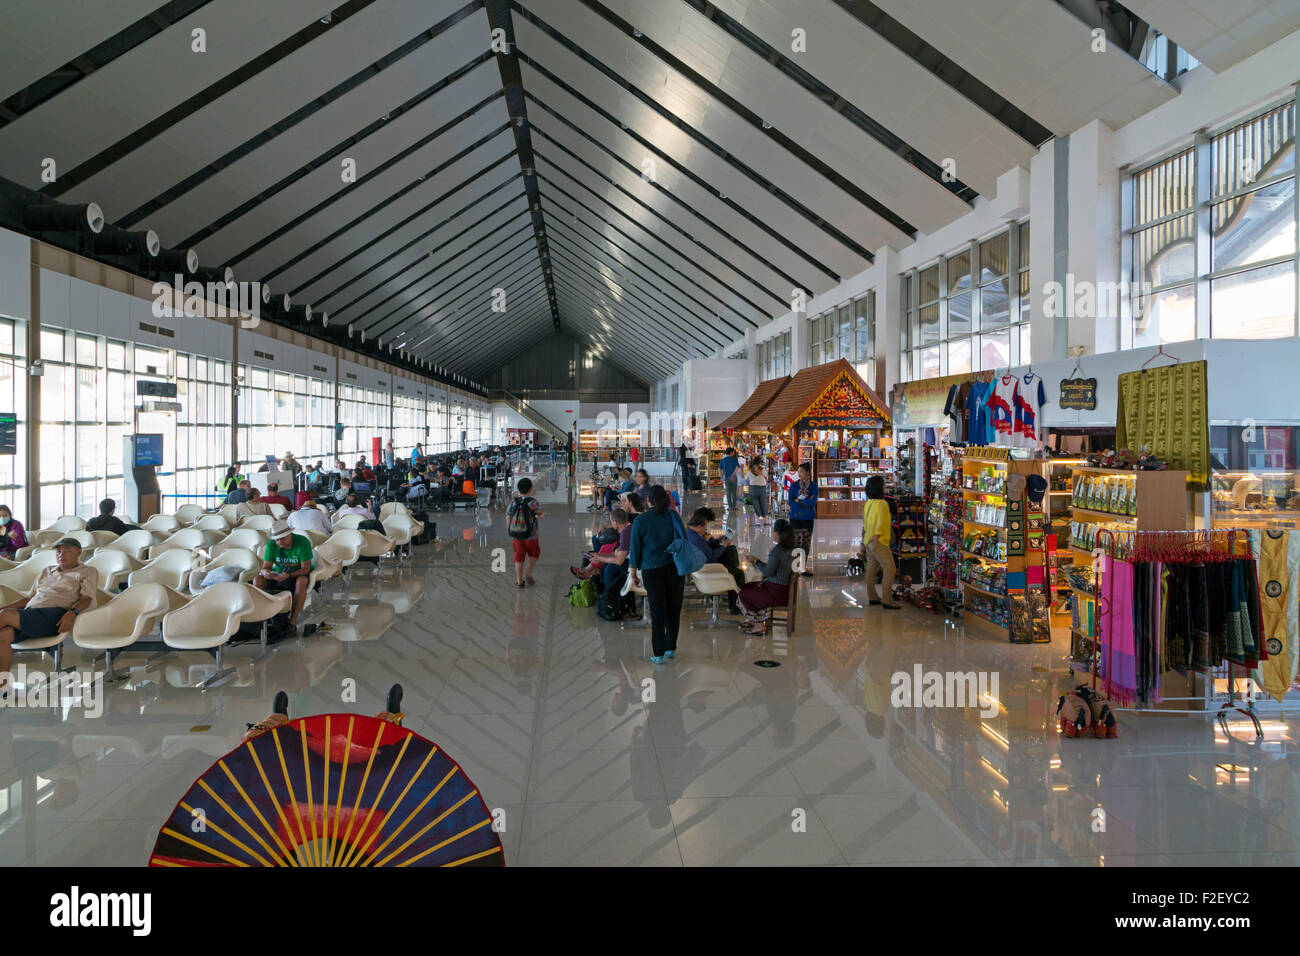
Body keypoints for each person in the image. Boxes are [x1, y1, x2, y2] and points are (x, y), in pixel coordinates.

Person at [0, 538, 98, 686]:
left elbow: (86, 599)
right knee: (3, 635)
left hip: (54, 615)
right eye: (58, 551)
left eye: (67, 551)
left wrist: (72, 613)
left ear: (79, 552)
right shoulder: (47, 571)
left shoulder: (88, 571)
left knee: (5, 615)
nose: (61, 554)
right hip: (31, 614)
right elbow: (28, 598)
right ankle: (3, 685)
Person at [628, 485, 687, 664]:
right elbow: (683, 539)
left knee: (658, 610)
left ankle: (659, 653)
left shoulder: (641, 520)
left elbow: (635, 548)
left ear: (648, 500)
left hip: (652, 570)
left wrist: (633, 572)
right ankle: (671, 647)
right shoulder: (673, 516)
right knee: (673, 608)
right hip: (675, 567)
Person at [737, 518, 796, 635]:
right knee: (749, 586)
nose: (772, 534)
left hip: (776, 594)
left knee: (744, 593)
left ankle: (758, 625)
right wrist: (757, 561)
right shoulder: (790, 548)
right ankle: (753, 620)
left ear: (778, 534)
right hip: (784, 590)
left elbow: (767, 573)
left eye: (774, 531)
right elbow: (772, 569)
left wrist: (756, 561)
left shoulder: (778, 551)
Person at [256, 521, 313, 634]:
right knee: (258, 580)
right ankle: (261, 619)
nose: (279, 542)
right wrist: (266, 572)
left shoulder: (302, 542)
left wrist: (289, 575)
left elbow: (305, 569)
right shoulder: (272, 544)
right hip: (278, 574)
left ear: (290, 534)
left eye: (282, 538)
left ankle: (292, 622)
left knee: (302, 581)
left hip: (297, 575)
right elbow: (265, 567)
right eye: (276, 539)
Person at [686, 508, 744, 613]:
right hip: (709, 568)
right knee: (739, 574)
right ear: (699, 527)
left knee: (731, 563)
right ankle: (735, 606)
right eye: (705, 527)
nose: (706, 530)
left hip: (702, 566)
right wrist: (724, 546)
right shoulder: (696, 539)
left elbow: (705, 547)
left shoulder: (690, 535)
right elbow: (713, 555)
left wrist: (717, 541)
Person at [861, 475, 899, 609]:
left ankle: (872, 596)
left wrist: (868, 537)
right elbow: (881, 522)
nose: (884, 487)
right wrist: (877, 535)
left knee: (871, 567)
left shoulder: (868, 503)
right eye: (883, 485)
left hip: (868, 540)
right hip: (879, 541)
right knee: (890, 567)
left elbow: (866, 523)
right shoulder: (882, 504)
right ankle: (887, 599)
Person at [507, 477, 542, 589]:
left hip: (516, 535)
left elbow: (508, 516)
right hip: (531, 535)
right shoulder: (533, 502)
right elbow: (540, 515)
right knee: (534, 553)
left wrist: (510, 529)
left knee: (518, 556)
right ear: (531, 489)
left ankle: (519, 581)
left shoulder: (513, 502)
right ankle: (527, 572)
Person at [788, 462, 818, 576]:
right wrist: (804, 502)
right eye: (798, 471)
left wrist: (798, 501)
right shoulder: (794, 486)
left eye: (801, 471)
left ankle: (803, 568)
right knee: (795, 543)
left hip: (808, 518)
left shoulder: (814, 486)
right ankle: (794, 568)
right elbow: (791, 502)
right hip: (795, 517)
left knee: (805, 544)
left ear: (807, 473)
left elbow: (812, 502)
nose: (799, 474)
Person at [746, 457, 769, 524]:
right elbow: (766, 479)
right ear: (760, 463)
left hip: (753, 489)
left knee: (756, 504)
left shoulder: (749, 471)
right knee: (763, 504)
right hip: (762, 488)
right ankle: (765, 521)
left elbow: (747, 481)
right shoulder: (763, 470)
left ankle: (758, 521)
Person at [720, 446, 741, 510]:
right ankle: (734, 506)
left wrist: (721, 477)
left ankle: (730, 506)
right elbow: (737, 468)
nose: (734, 453)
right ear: (731, 452)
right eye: (733, 452)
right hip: (734, 478)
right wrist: (733, 474)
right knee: (734, 492)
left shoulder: (723, 460)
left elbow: (720, 469)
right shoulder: (734, 459)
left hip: (726, 478)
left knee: (728, 493)